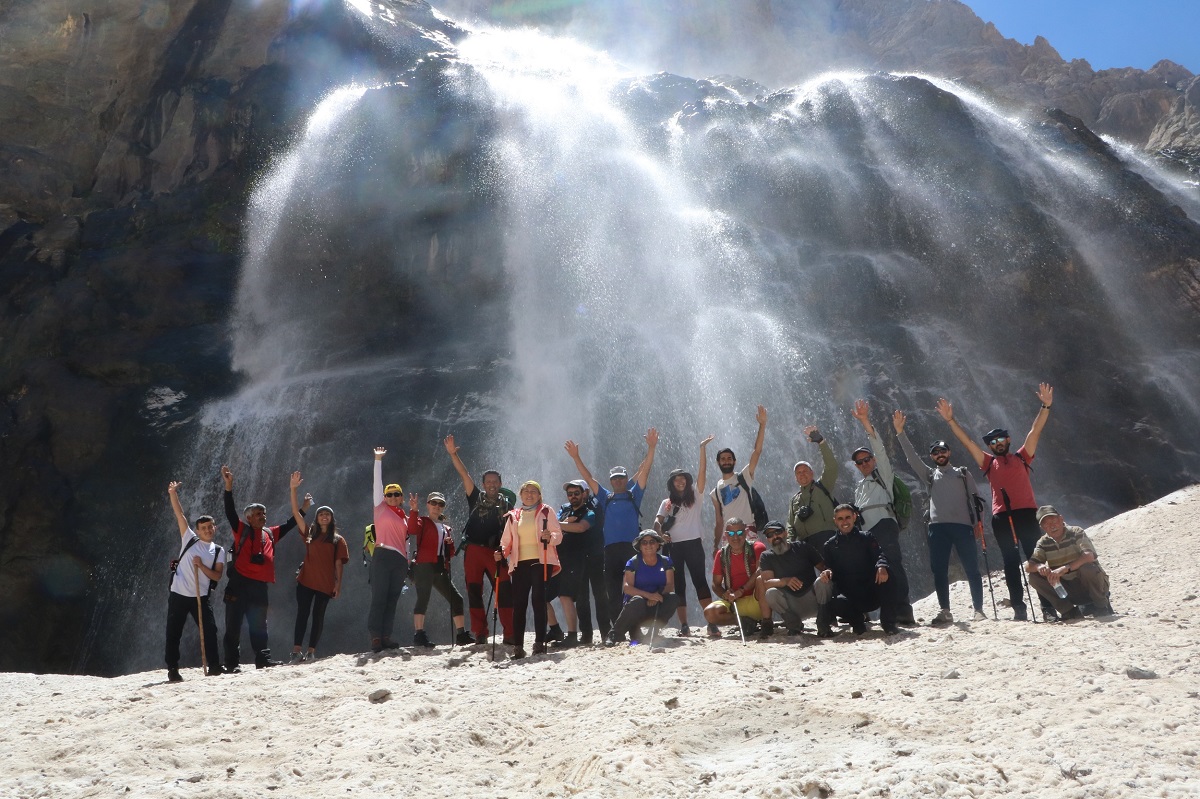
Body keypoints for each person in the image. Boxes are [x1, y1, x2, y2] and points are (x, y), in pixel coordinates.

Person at [936, 383, 1055, 621]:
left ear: (1008, 440)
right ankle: (1019, 608)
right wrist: (950, 421)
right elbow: (968, 443)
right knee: (1011, 563)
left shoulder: (1022, 456)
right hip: (1002, 517)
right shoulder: (988, 463)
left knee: (1036, 558)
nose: (997, 443)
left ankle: (1047, 608)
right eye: (993, 442)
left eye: (1001, 439)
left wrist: (1046, 406)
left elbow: (1034, 431)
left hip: (1027, 514)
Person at [893, 412, 987, 624]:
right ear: (932, 457)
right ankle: (945, 610)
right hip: (938, 529)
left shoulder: (963, 473)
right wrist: (900, 433)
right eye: (935, 453)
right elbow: (912, 459)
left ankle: (979, 610)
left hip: (963, 527)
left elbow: (977, 500)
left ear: (949, 452)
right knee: (939, 570)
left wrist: (978, 524)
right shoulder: (929, 476)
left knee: (972, 568)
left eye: (943, 450)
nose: (939, 454)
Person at [565, 428, 658, 622]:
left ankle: (634, 627)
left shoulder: (635, 495)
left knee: (633, 589)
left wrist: (651, 447)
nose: (618, 481)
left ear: (626, 478)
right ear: (611, 481)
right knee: (612, 592)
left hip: (632, 548)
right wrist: (576, 457)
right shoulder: (605, 497)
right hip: (610, 550)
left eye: (621, 477)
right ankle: (617, 629)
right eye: (614, 478)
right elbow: (589, 479)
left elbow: (645, 470)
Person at [221, 465, 306, 672]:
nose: (263, 516)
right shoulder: (242, 530)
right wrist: (228, 488)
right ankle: (231, 663)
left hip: (260, 586)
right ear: (249, 517)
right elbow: (230, 513)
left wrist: (303, 508)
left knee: (260, 624)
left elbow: (289, 524)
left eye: (264, 513)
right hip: (239, 583)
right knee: (233, 623)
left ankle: (263, 659)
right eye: (258, 514)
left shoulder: (270, 533)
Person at [849, 399, 916, 624]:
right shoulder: (859, 487)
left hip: (885, 524)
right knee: (875, 568)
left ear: (873, 460)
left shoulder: (883, 475)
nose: (864, 463)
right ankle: (887, 610)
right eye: (859, 462)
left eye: (867, 459)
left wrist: (865, 421)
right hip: (867, 531)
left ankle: (904, 609)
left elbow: (880, 447)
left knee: (893, 564)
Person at [444, 435, 515, 644]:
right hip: (474, 551)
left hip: (497, 552)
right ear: (483, 484)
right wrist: (453, 454)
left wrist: (505, 552)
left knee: (504, 591)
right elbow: (464, 474)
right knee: (474, 592)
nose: (492, 484)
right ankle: (480, 633)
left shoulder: (509, 507)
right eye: (488, 481)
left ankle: (509, 633)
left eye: (495, 482)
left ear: (501, 484)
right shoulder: (475, 497)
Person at [653, 435, 714, 637]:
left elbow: (702, 473)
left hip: (694, 544)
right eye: (676, 480)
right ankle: (684, 625)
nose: (681, 482)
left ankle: (711, 622)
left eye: (683, 479)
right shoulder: (666, 502)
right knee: (679, 585)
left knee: (700, 581)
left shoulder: (695, 496)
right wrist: (661, 535)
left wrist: (702, 449)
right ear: (672, 484)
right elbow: (657, 522)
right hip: (673, 547)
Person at [165, 481, 224, 681]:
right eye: (203, 528)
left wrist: (202, 566)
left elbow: (217, 576)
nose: (207, 530)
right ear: (197, 531)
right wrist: (173, 493)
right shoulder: (189, 539)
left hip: (201, 597)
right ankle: (173, 669)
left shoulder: (218, 551)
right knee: (174, 632)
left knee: (210, 630)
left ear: (214, 528)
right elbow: (179, 515)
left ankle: (215, 665)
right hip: (179, 594)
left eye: (210, 527)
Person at [287, 472, 349, 663]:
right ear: (317, 518)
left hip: (325, 583)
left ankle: (311, 650)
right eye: (321, 514)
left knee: (318, 616)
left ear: (331, 519)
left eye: (327, 514)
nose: (324, 516)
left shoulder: (338, 540)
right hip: (306, 581)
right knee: (302, 614)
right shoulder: (309, 534)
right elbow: (296, 514)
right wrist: (293, 489)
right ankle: (296, 651)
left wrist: (338, 585)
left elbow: (339, 563)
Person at [499, 481, 563, 659]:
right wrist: (502, 552)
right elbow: (506, 541)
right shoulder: (513, 515)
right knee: (519, 603)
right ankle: (518, 646)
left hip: (541, 561)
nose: (529, 494)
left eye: (533, 491)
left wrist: (550, 537)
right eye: (526, 491)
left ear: (539, 495)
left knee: (538, 600)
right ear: (521, 495)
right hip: (520, 563)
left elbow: (558, 535)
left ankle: (539, 643)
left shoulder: (546, 511)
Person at [406, 490, 474, 647]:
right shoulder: (422, 521)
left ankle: (461, 634)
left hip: (439, 567)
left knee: (457, 598)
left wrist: (450, 544)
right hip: (423, 566)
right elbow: (412, 530)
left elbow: (450, 553)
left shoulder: (446, 528)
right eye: (434, 503)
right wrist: (414, 510)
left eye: (440, 504)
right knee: (423, 598)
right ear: (428, 505)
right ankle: (419, 634)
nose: (437, 506)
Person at [819, 504, 900, 636]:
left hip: (871, 591)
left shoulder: (867, 538)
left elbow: (879, 555)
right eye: (840, 519)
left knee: (888, 574)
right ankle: (857, 623)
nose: (844, 522)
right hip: (849, 597)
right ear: (835, 520)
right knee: (835, 603)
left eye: (847, 517)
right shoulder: (830, 546)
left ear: (854, 517)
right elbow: (828, 566)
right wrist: (827, 572)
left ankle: (888, 623)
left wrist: (881, 566)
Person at [1024, 506, 1112, 620]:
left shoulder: (1076, 532)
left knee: (1086, 568)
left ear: (1061, 519)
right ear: (1042, 528)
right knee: (1034, 577)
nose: (1052, 526)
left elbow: (1089, 556)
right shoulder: (1043, 542)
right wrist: (1039, 566)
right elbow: (1028, 566)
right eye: (1046, 524)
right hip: (1068, 590)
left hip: (1091, 585)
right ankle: (1069, 611)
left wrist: (1065, 568)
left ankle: (1101, 606)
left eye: (1054, 521)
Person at [548, 480, 600, 648]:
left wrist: (560, 525)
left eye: (576, 493)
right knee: (543, 595)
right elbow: (553, 528)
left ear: (584, 494)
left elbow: (580, 528)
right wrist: (564, 524)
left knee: (565, 595)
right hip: (559, 559)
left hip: (576, 560)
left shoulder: (590, 512)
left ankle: (572, 635)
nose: (573, 497)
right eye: (570, 494)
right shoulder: (564, 510)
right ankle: (555, 629)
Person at [758, 520, 832, 638]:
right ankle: (794, 625)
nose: (775, 537)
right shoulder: (766, 556)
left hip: (813, 600)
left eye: (778, 532)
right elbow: (766, 583)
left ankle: (823, 624)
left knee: (823, 582)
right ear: (767, 539)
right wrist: (785, 581)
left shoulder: (803, 547)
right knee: (770, 593)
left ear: (786, 533)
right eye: (770, 535)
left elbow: (823, 567)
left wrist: (826, 572)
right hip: (791, 605)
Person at [607, 531, 682, 646]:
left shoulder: (666, 562)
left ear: (658, 545)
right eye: (644, 543)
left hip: (656, 604)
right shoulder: (633, 562)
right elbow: (627, 588)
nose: (648, 545)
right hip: (636, 608)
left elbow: (670, 585)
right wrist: (649, 596)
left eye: (652, 542)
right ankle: (614, 634)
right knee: (638, 601)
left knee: (673, 598)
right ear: (640, 546)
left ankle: (654, 631)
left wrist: (657, 596)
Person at [369, 447, 410, 652]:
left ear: (401, 497)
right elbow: (377, 483)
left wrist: (408, 561)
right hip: (383, 555)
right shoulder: (380, 508)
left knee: (392, 598)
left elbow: (408, 541)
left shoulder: (405, 517)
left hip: (400, 560)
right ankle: (376, 637)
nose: (393, 497)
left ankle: (386, 636)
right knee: (379, 597)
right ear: (384, 497)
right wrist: (378, 460)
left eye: (396, 494)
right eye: (390, 494)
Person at [711, 406, 768, 550]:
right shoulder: (715, 492)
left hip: (747, 529)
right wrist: (715, 546)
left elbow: (757, 452)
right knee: (731, 572)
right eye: (723, 459)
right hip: (728, 534)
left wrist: (762, 425)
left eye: (729, 458)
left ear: (734, 461)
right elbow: (719, 521)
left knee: (755, 567)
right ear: (718, 462)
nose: (726, 461)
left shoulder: (744, 477)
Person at [702, 517, 767, 637]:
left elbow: (760, 571)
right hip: (735, 603)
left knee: (762, 579)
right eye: (731, 533)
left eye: (740, 533)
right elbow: (715, 584)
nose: (735, 537)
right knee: (709, 613)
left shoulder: (757, 548)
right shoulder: (721, 554)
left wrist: (741, 591)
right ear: (726, 535)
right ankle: (744, 622)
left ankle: (766, 621)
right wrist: (725, 594)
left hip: (757, 600)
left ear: (746, 532)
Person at [786, 425, 840, 551]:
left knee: (831, 569)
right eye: (798, 472)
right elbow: (790, 524)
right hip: (804, 543)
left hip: (827, 536)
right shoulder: (794, 500)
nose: (802, 474)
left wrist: (821, 442)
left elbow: (832, 466)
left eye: (805, 470)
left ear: (812, 473)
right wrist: (789, 543)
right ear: (795, 478)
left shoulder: (823, 485)